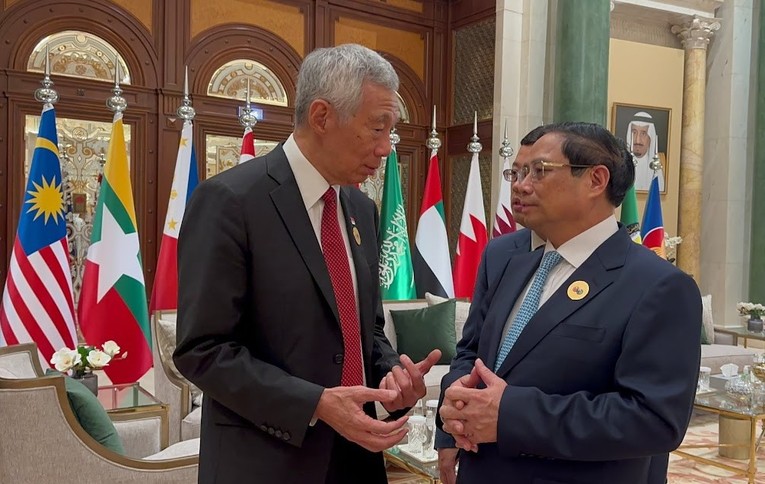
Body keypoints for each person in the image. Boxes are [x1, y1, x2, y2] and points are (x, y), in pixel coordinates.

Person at [174, 43, 441, 484]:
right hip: (267, 463)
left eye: (391, 132)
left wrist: (391, 374)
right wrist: (315, 403)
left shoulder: (361, 209)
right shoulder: (231, 201)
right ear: (321, 117)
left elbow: (366, 329)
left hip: (358, 459)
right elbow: (202, 350)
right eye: (377, 129)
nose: (385, 149)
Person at [436, 122, 701, 484]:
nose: (520, 185)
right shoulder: (508, 258)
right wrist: (452, 418)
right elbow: (471, 353)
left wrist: (511, 415)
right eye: (518, 173)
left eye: (539, 171)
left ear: (596, 180)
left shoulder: (659, 286)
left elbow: (653, 420)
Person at [626, 111, 664, 191]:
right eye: (634, 132)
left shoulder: (656, 167)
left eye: (643, 133)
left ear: (650, 138)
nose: (637, 140)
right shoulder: (621, 164)